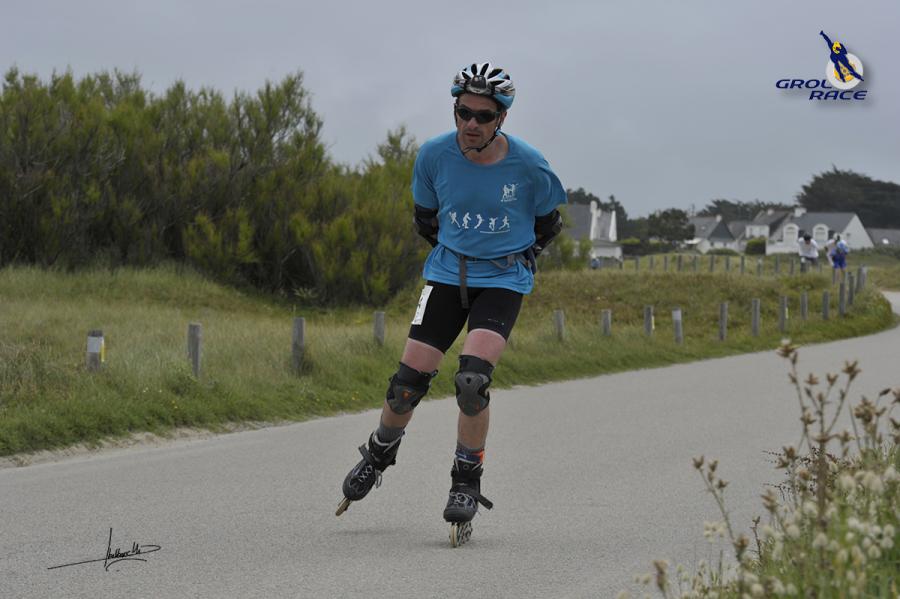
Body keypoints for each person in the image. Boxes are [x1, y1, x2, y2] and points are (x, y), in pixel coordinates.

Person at [336, 62, 567, 545]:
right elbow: (426, 219)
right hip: (446, 274)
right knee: (406, 386)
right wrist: (458, 255)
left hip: (502, 279)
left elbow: (549, 223)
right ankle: (379, 452)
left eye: (484, 116)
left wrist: (515, 259)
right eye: (464, 112)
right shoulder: (434, 156)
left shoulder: (529, 165)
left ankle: (466, 481)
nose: (471, 124)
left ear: (502, 118)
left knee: (471, 381)